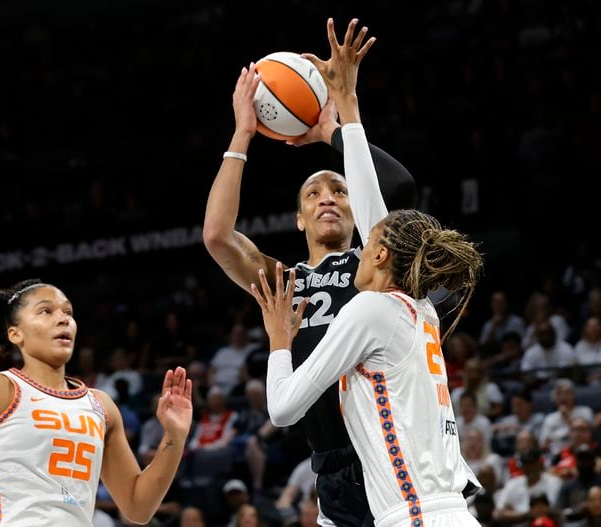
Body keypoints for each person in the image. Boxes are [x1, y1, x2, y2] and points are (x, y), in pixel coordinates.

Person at [203, 17, 415, 527]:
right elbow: (216, 235)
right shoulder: (285, 281)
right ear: (298, 218)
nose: (327, 198)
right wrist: (242, 133)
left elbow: (400, 187)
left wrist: (330, 132)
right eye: (314, 195)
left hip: (391, 450)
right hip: (332, 466)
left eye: (339, 191)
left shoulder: (378, 261)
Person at [0, 279, 193, 526]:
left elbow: (138, 507)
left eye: (68, 313)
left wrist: (174, 437)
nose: (63, 319)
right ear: (15, 333)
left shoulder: (101, 405)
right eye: (46, 311)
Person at [254, 207, 484, 525]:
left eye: (367, 245)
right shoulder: (423, 310)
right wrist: (349, 152)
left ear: (379, 255)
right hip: (451, 511)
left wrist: (279, 341)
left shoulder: (370, 308)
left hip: (415, 515)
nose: (357, 256)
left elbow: (282, 410)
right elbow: (386, 221)